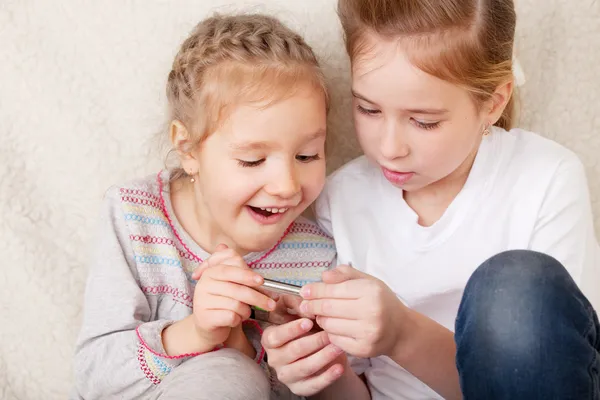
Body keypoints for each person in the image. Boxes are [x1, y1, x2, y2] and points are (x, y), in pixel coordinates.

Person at [261, 0, 600, 399]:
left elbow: (554, 370)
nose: (389, 148)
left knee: (515, 290)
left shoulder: (545, 178)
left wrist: (402, 334)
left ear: (493, 102)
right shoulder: (341, 197)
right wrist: (319, 368)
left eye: (424, 121)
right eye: (368, 109)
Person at [72, 13, 336, 400]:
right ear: (188, 149)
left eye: (308, 155)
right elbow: (93, 377)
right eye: (252, 160)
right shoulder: (135, 216)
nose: (286, 187)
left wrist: (273, 354)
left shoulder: (316, 259)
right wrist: (196, 332)